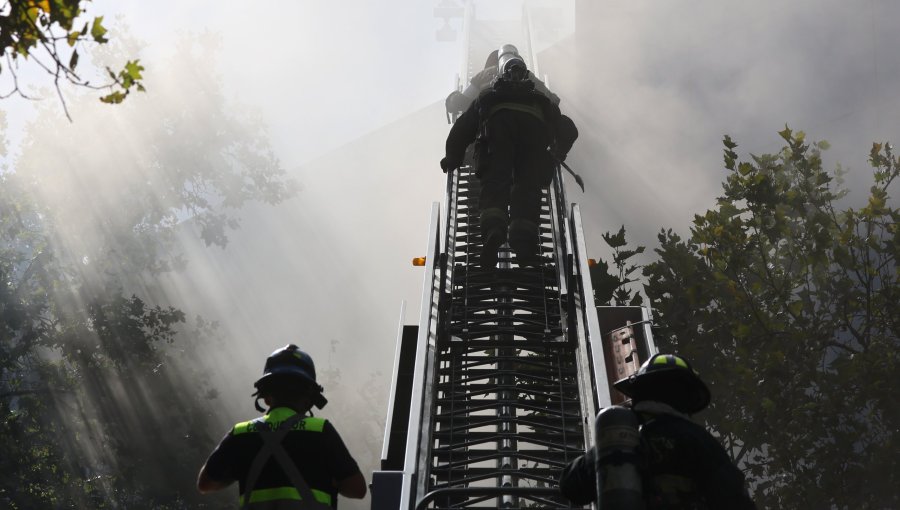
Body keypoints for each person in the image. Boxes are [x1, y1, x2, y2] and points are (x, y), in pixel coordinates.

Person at [559, 353, 756, 509]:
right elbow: (734, 499)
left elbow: (570, 486)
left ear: (639, 393)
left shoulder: (620, 436)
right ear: (686, 399)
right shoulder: (698, 440)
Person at [441, 44, 577, 268]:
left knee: (496, 182)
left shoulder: (486, 87)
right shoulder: (533, 86)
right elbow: (566, 123)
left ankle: (494, 230)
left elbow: (463, 125)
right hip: (534, 135)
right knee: (527, 188)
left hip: (497, 132)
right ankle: (524, 247)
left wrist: (453, 157)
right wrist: (556, 152)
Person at [197, 344, 366, 509]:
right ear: (309, 398)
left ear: (265, 397)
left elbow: (205, 484)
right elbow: (358, 489)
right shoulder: (321, 430)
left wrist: (238, 469)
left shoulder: (241, 434)